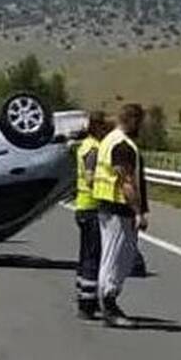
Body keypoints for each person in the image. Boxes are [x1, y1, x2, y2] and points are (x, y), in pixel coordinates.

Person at [92, 103, 150, 327]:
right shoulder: (122, 145)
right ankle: (109, 304)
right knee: (117, 257)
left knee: (113, 256)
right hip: (118, 207)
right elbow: (127, 182)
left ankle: (107, 300)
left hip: (107, 205)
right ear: (133, 120)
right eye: (140, 122)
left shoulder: (109, 140)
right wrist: (138, 212)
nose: (141, 127)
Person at [73, 111, 110, 319]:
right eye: (104, 126)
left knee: (86, 255)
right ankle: (87, 303)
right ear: (97, 127)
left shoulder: (86, 145)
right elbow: (89, 178)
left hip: (84, 206)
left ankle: (84, 296)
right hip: (92, 207)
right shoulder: (93, 149)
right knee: (92, 256)